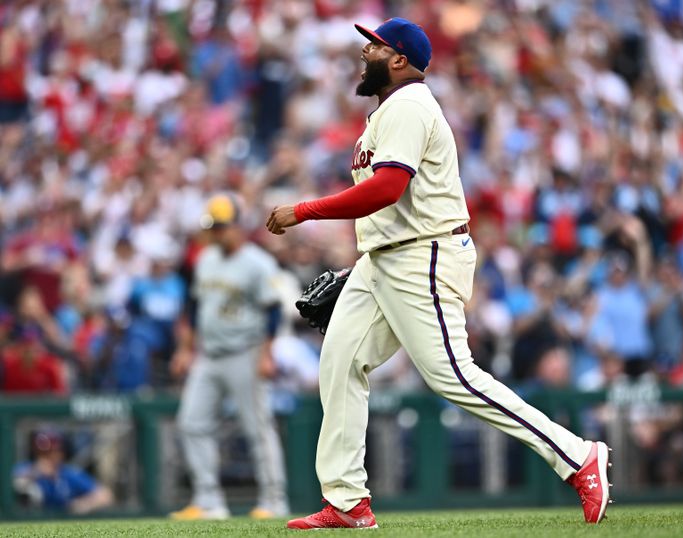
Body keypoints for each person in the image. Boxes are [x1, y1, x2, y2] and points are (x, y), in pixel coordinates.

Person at [266, 18, 612, 529]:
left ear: (399, 59)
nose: (365, 51)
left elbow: (387, 189)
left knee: (453, 376)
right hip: (386, 257)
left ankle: (577, 456)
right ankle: (346, 501)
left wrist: (306, 211)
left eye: (375, 45)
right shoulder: (387, 110)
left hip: (423, 254)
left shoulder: (408, 105)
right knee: (339, 362)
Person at [169, 193, 289, 520]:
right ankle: (208, 502)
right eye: (213, 227)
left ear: (238, 226)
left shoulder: (257, 262)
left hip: (245, 352)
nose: (217, 233)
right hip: (209, 354)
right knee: (191, 422)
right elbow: (194, 309)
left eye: (222, 227)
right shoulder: (204, 259)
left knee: (258, 429)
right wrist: (184, 348)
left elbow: (273, 311)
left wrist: (267, 355)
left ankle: (274, 501)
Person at [13, 430, 113, 514]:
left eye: (52, 452)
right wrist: (36, 472)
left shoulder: (68, 473)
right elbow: (13, 483)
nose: (48, 457)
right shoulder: (25, 468)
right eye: (43, 453)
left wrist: (83, 504)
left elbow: (105, 495)